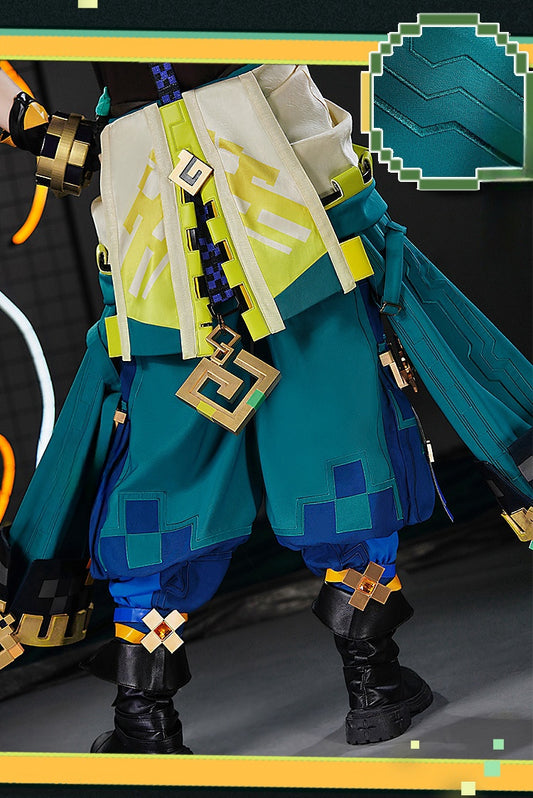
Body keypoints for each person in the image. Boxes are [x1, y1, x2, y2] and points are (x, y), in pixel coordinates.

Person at [0, 62, 531, 755]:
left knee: (164, 478)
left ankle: (146, 714)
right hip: (277, 173)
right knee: (334, 447)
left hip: (164, 194)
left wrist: (36, 127)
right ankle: (373, 680)